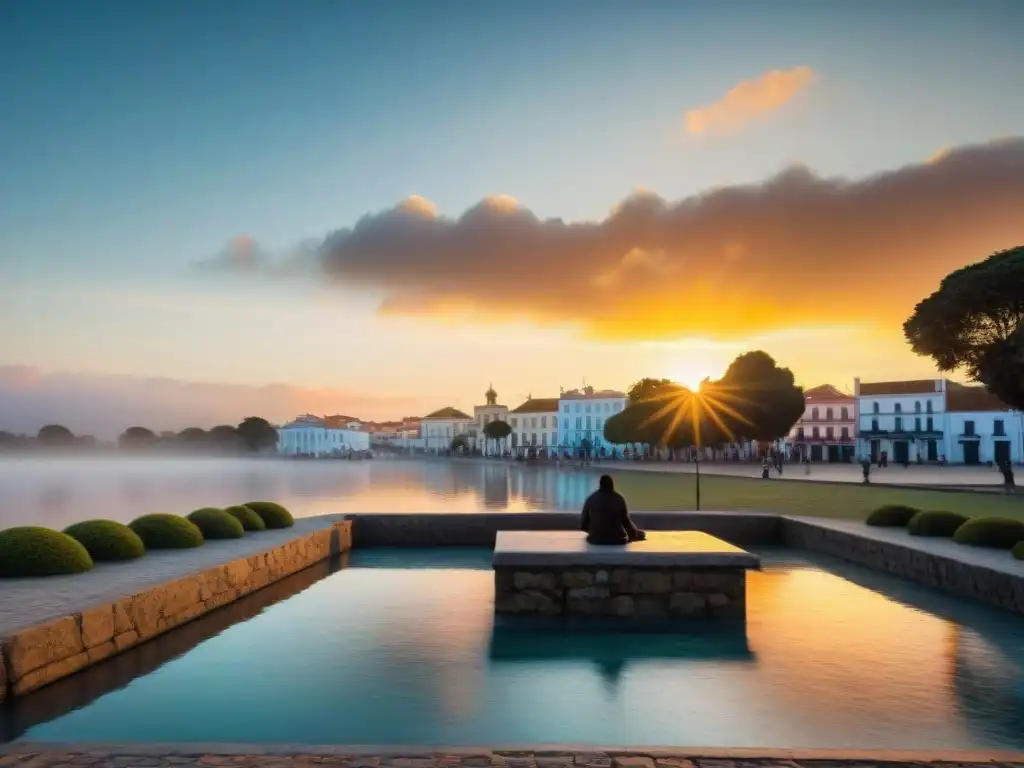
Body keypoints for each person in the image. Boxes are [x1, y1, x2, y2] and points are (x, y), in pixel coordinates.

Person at [580, 474, 646, 545]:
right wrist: (635, 534)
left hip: (595, 540)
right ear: (612, 485)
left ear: (600, 485)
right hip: (617, 539)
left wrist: (595, 532)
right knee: (641, 534)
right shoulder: (619, 499)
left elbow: (582, 525)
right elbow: (626, 523)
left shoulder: (591, 499)